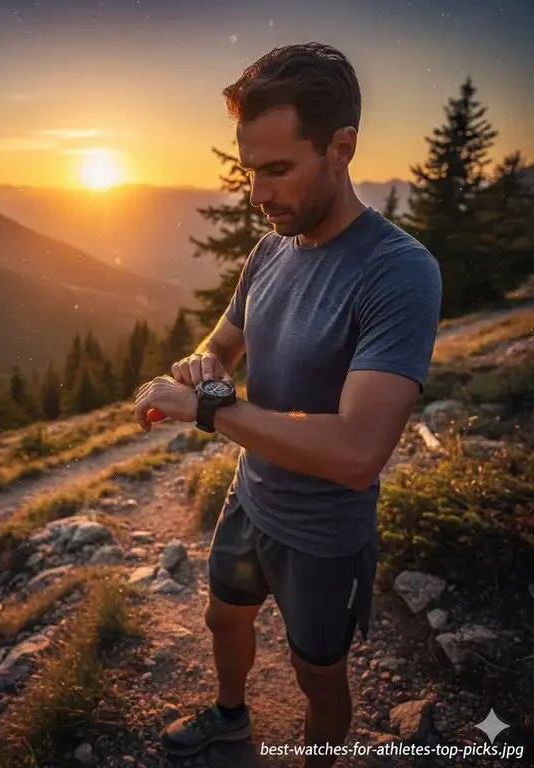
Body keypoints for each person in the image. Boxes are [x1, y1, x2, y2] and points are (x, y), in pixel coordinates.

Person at [133, 42, 442, 767]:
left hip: (324, 536)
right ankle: (230, 717)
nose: (258, 195)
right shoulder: (272, 249)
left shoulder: (399, 272)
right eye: (251, 171)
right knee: (223, 618)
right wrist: (205, 368)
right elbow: (223, 343)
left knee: (317, 673)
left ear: (342, 148)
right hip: (251, 498)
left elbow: (358, 453)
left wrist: (208, 412)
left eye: (277, 169)